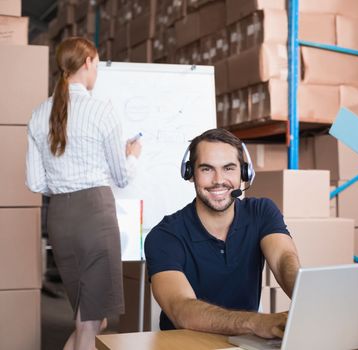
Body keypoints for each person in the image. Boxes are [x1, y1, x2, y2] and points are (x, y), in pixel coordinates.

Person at [26, 37, 142, 350]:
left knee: (91, 317)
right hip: (94, 215)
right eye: (97, 64)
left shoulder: (39, 115)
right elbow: (120, 176)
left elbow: (35, 183)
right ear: (88, 62)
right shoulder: (101, 112)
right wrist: (132, 154)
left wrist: (65, 184)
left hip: (61, 217)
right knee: (90, 324)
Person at [145, 128, 300, 337]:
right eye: (207, 169)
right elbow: (180, 308)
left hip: (246, 342)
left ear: (244, 173)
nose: (219, 180)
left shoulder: (261, 212)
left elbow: (283, 260)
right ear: (190, 174)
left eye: (228, 168)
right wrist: (255, 322)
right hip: (186, 345)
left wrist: (305, 301)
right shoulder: (165, 235)